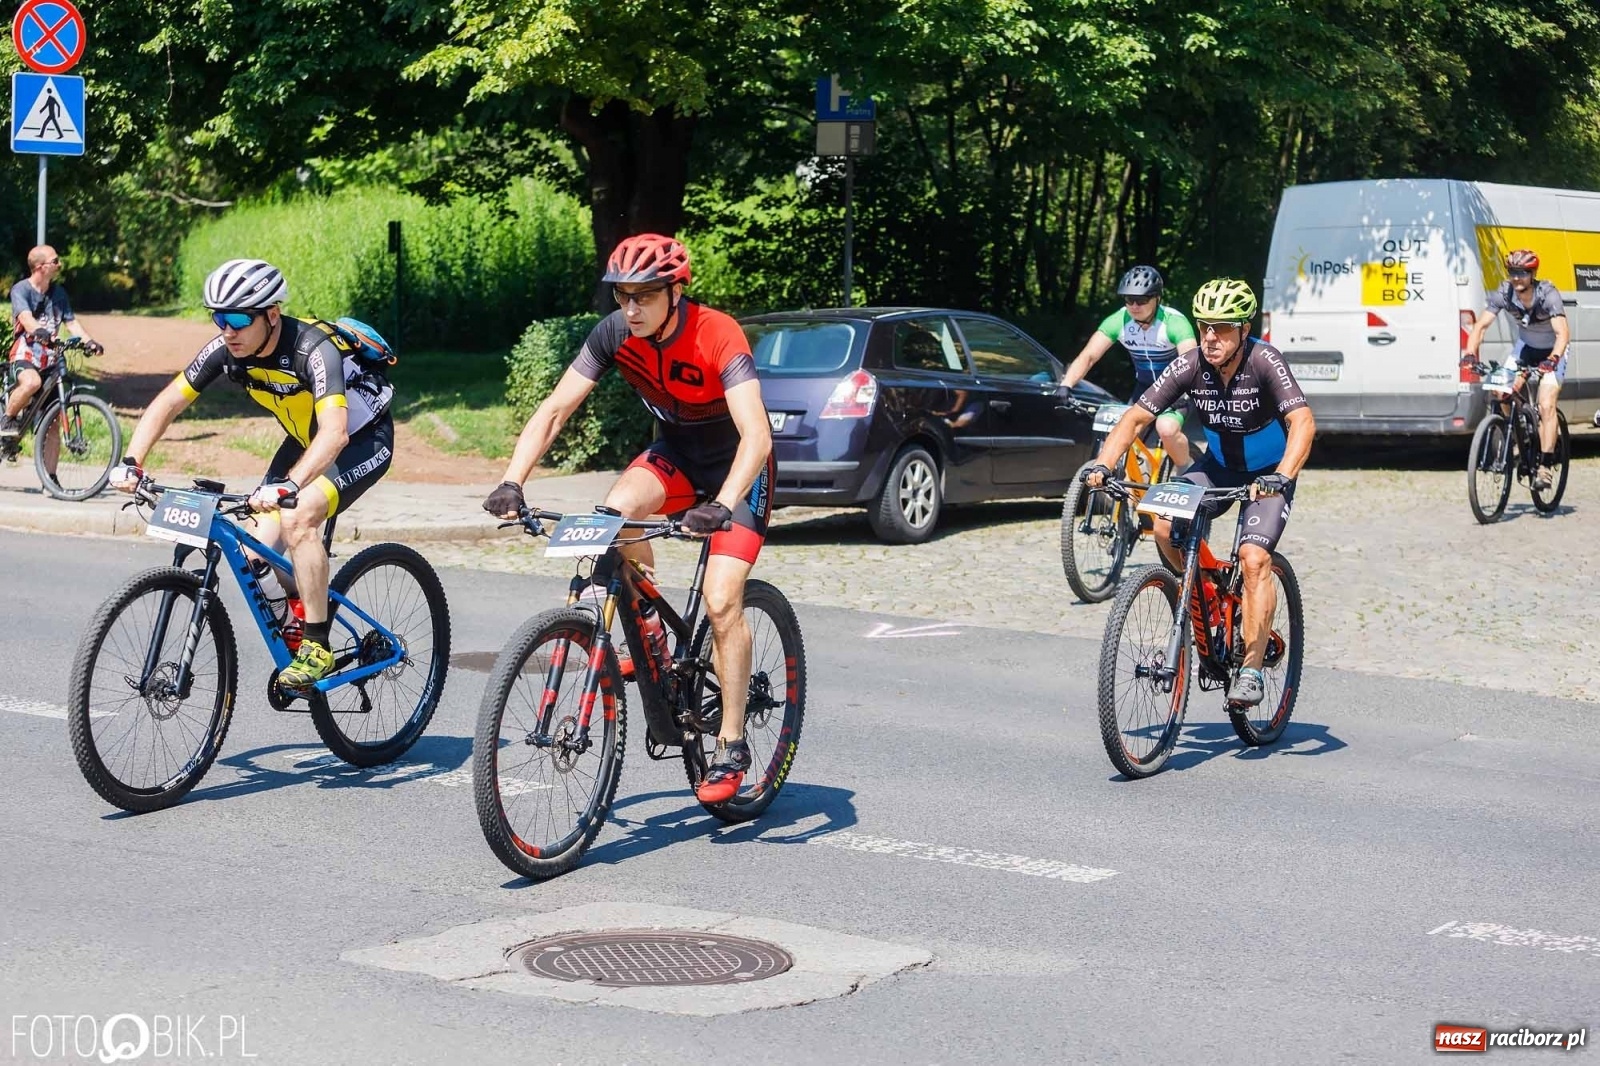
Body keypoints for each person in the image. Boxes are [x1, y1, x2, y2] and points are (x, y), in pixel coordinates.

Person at [484, 233, 774, 805]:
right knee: (615, 514)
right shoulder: (615, 333)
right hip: (678, 457)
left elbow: (757, 434)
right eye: (623, 296)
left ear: (674, 291)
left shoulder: (717, 333)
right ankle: (652, 633)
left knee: (721, 601)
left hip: (740, 469)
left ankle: (731, 742)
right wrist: (512, 480)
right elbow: (556, 409)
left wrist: (722, 503)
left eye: (644, 296)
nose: (631, 308)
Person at [110, 259, 396, 691]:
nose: (228, 330)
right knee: (256, 555)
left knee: (299, 518)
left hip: (360, 438)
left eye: (240, 318)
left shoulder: (312, 350)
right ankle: (299, 611)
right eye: (219, 318)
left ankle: (317, 647)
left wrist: (291, 486)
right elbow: (169, 402)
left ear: (272, 315)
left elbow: (335, 434)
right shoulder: (226, 351)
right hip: (305, 439)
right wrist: (132, 461)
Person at [1083, 278, 1315, 707]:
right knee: (1163, 523)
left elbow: (1303, 422)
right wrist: (1103, 463)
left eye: (1222, 328)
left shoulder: (1265, 361)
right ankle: (1202, 593)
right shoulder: (1191, 365)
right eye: (1205, 326)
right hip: (1219, 467)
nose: (1210, 337)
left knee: (1253, 558)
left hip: (1268, 474)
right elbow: (1136, 419)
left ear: (1244, 329)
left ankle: (1250, 668)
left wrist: (1283, 475)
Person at [1060, 265, 1198, 469]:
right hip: (1143, 388)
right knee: (1117, 435)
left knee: (1166, 429)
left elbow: (1191, 361)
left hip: (1174, 390)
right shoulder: (1120, 320)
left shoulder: (1174, 322)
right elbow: (1089, 356)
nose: (1134, 306)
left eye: (1141, 300)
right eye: (1128, 299)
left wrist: (1185, 393)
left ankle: (1188, 470)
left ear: (1157, 298)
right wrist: (1066, 385)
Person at [1463, 249, 1569, 490]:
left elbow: (1563, 333)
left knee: (1546, 403)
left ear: (1532, 274)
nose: (1516, 278)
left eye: (1522, 273)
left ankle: (1545, 465)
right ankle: (1522, 440)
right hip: (1525, 348)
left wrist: (1553, 359)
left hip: (1554, 349)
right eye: (1512, 272)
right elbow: (1480, 326)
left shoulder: (1547, 294)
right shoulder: (1505, 292)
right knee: (1502, 392)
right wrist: (1470, 353)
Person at [2, 245, 102, 439]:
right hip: (26, 354)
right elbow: (25, 318)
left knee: (53, 421)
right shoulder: (21, 290)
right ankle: (7, 418)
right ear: (40, 266)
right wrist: (39, 330)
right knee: (32, 382)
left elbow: (71, 322)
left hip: (50, 358)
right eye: (55, 261)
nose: (60, 264)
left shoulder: (59, 294)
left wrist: (89, 341)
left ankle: (51, 471)